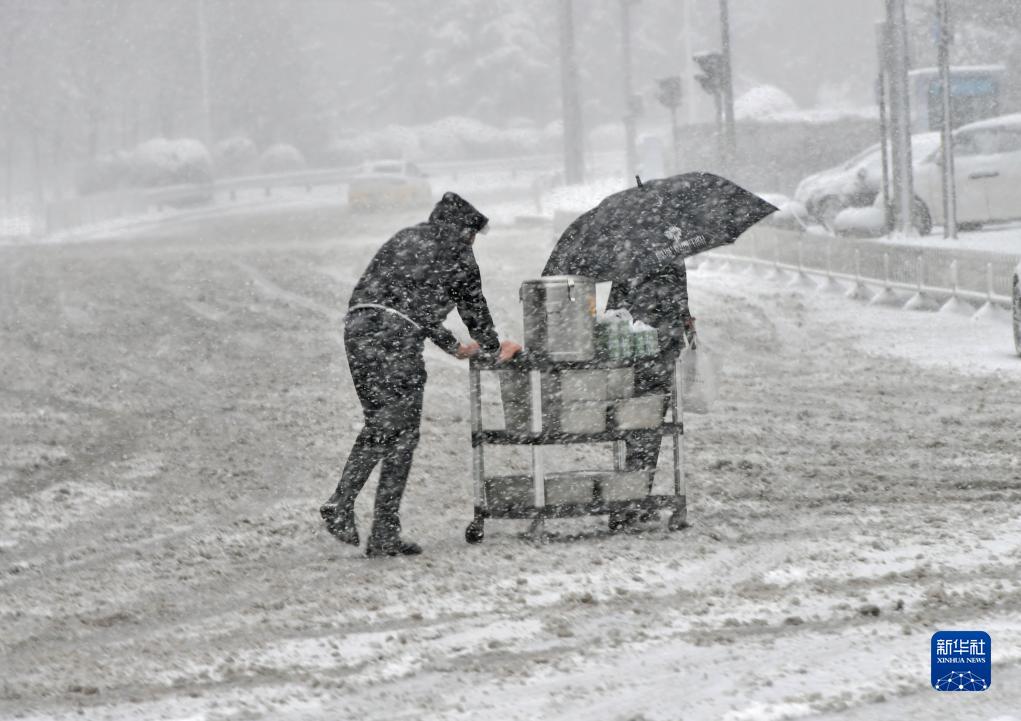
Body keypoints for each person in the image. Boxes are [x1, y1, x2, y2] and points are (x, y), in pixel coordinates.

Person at [320, 192, 521, 557]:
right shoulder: (457, 249)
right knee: (400, 433)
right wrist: (492, 347)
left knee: (381, 425)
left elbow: (403, 301)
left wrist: (451, 346)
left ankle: (375, 526)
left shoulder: (405, 237)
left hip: (359, 330)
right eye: (473, 235)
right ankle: (353, 509)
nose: (473, 242)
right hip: (394, 340)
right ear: (464, 230)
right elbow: (472, 306)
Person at [605, 259, 695, 531]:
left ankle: (630, 499)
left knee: (635, 427)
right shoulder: (672, 254)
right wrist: (686, 325)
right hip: (657, 353)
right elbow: (677, 303)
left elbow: (613, 308)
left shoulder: (626, 253)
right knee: (647, 427)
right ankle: (631, 501)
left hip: (630, 350)